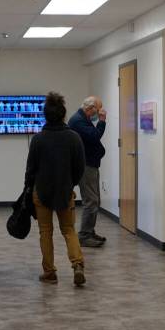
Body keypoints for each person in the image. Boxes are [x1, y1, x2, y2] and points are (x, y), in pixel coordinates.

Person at [25, 92, 86, 287]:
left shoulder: (38, 139)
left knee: (45, 232)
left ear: (45, 115)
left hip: (41, 192)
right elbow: (80, 168)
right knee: (69, 230)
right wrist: (70, 184)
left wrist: (28, 188)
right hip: (64, 192)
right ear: (63, 114)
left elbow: (30, 170)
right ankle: (77, 265)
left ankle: (50, 272)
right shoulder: (74, 138)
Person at [68, 96, 107, 247]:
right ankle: (84, 236)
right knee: (91, 201)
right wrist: (102, 121)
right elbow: (94, 136)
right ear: (90, 109)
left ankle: (89, 231)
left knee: (95, 200)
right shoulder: (78, 120)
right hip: (86, 165)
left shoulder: (83, 118)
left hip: (91, 164)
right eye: (99, 109)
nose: (100, 112)